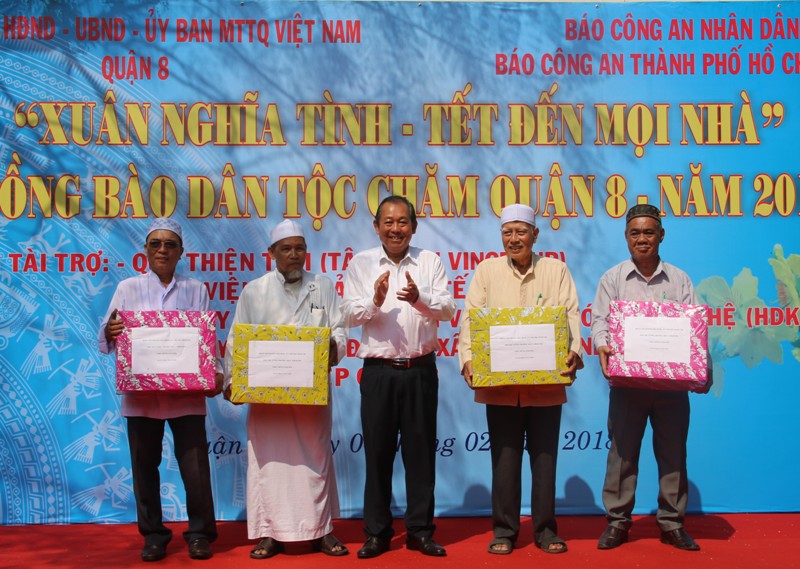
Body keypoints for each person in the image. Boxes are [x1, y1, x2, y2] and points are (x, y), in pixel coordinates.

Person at [458, 204, 583, 555]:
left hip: (546, 386)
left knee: (545, 461)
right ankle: (504, 530)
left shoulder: (556, 270)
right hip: (501, 387)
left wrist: (574, 351)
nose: (514, 239)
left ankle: (545, 530)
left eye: (521, 232)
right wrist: (467, 359)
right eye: (507, 232)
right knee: (505, 461)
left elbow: (571, 315)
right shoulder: (487, 271)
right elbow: (470, 318)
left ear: (535, 235)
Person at [223, 219, 348, 559]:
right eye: (286, 249)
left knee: (315, 460)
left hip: (312, 396)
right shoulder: (255, 291)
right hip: (267, 401)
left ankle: (321, 531)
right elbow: (236, 340)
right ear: (272, 253)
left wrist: (333, 346)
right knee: (268, 463)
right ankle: (269, 533)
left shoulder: (323, 285)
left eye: (299, 248)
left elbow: (340, 329)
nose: (294, 254)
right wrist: (231, 380)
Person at [99, 218, 221, 562]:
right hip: (142, 398)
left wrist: (216, 374)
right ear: (146, 250)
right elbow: (108, 333)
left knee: (196, 471)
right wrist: (110, 330)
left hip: (186, 397)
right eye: (156, 244)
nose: (162, 250)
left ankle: (200, 534)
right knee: (144, 469)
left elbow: (206, 340)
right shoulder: (128, 288)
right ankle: (153, 535)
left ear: (181, 252)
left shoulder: (196, 289)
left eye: (170, 244)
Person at [342, 195, 456, 559]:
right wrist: (375, 301)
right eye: (388, 222)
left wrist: (419, 298)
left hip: (420, 371)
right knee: (377, 455)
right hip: (379, 374)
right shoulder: (361, 264)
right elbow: (347, 315)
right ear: (376, 227)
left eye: (402, 222)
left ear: (414, 227)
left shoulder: (429, 261)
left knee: (421, 456)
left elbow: (448, 309)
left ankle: (420, 531)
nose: (396, 229)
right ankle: (377, 533)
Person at [591, 203, 710, 551]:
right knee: (622, 455)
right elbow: (600, 321)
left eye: (648, 232)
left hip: (672, 388)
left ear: (661, 235)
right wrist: (602, 344)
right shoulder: (613, 279)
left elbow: (695, 329)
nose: (641, 238)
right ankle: (617, 522)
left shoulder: (679, 279)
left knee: (673, 454)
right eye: (635, 233)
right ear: (626, 237)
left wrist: (703, 369)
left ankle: (672, 523)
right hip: (628, 386)